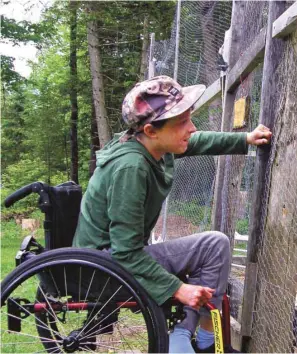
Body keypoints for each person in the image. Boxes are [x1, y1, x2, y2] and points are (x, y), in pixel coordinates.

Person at [73, 75, 272, 353]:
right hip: (103, 269)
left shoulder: (150, 145)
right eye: (182, 123)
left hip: (110, 259)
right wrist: (179, 289)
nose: (191, 128)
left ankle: (203, 339)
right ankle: (182, 339)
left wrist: (244, 139)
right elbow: (125, 253)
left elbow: (198, 141)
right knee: (213, 246)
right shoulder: (131, 168)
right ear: (151, 130)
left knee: (213, 247)